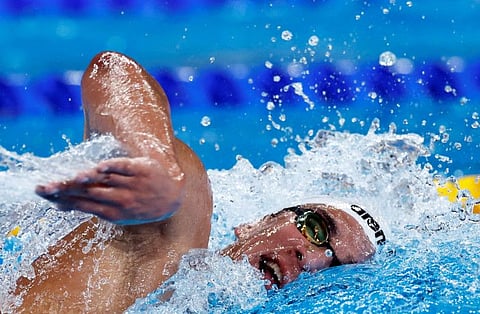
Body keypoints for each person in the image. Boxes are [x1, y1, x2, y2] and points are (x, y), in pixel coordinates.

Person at [11, 51, 385, 312]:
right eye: (316, 228)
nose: (314, 259)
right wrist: (157, 168)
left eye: (337, 269)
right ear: (258, 222)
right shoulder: (170, 237)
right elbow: (111, 72)